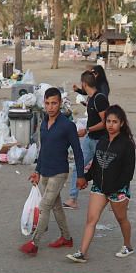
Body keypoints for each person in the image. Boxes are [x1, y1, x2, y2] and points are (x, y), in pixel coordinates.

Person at [20, 88, 87, 256]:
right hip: (45, 172)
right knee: (56, 207)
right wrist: (37, 171)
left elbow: (78, 152)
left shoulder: (67, 125)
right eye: (48, 103)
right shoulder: (44, 123)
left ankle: (34, 243)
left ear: (60, 103)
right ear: (44, 103)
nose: (50, 107)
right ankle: (66, 238)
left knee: (44, 207)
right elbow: (43, 150)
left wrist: (80, 175)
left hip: (59, 172)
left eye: (54, 103)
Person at [67, 104, 136, 263]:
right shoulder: (102, 140)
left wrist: (115, 188)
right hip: (99, 187)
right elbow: (97, 164)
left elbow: (128, 172)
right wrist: (85, 178)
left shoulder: (126, 145)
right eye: (108, 121)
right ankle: (82, 253)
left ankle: (127, 245)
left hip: (118, 190)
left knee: (121, 219)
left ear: (122, 124)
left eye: (115, 122)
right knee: (91, 219)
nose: (111, 125)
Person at [64, 71, 110, 210]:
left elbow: (105, 121)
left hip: (99, 141)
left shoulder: (99, 99)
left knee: (106, 170)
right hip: (89, 140)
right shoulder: (91, 98)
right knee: (78, 167)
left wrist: (87, 130)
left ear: (84, 83)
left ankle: (115, 198)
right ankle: (73, 198)